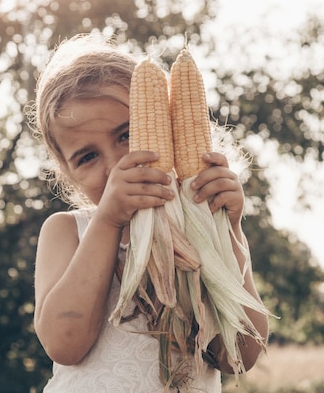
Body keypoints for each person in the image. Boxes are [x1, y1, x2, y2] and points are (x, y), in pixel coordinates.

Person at [28, 34, 269, 392]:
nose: (116, 165)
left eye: (127, 135)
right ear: (69, 175)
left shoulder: (198, 229)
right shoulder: (67, 231)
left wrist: (227, 228)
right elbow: (64, 343)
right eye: (87, 157)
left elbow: (238, 355)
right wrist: (109, 221)